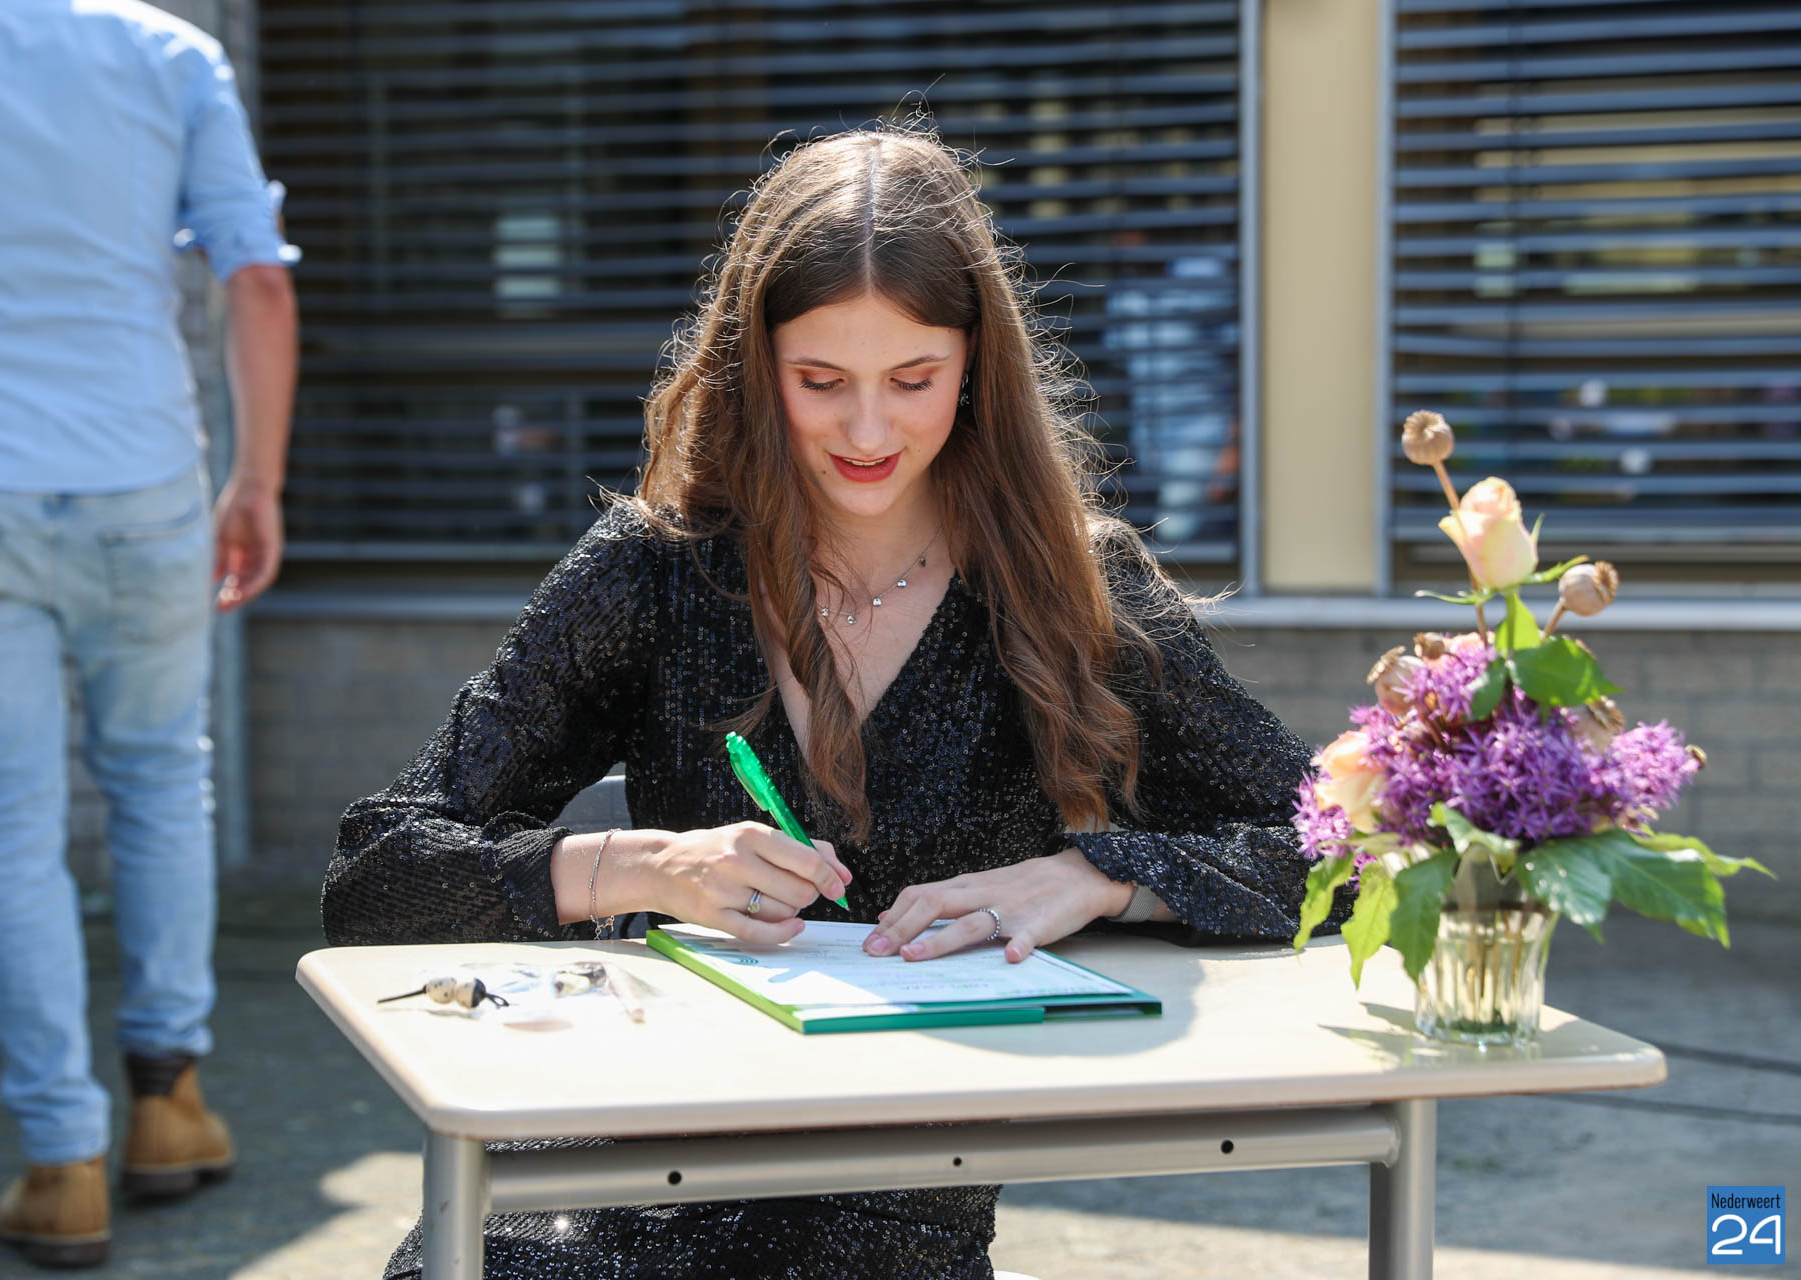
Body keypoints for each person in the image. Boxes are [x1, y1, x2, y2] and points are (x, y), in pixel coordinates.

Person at [326, 125, 1346, 1280]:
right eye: (820, 382)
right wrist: (640, 867)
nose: (867, 431)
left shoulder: (1068, 586)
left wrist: (1103, 876)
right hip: (627, 1150)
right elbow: (375, 871)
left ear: (977, 366)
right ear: (754, 366)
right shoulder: (653, 572)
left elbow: (1351, 847)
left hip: (886, 1200)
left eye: (913, 380)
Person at [0, 0, 298, 1267]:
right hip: (139, 483)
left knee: (5, 823)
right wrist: (256, 480)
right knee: (160, 778)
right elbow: (257, 279)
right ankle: (169, 1102)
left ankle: (60, 1162)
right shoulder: (170, 51)